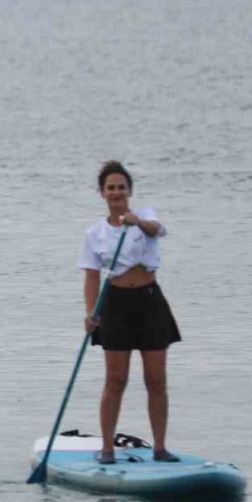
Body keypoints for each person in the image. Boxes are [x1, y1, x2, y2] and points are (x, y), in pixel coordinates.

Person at [77, 160, 182, 464]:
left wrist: (135, 222)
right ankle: (107, 449)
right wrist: (90, 313)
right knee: (116, 380)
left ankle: (160, 448)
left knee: (156, 380)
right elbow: (92, 276)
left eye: (121, 187)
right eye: (110, 188)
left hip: (150, 301)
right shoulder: (94, 234)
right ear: (102, 193)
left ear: (130, 191)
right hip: (115, 304)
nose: (116, 193)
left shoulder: (145, 217)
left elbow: (156, 229)